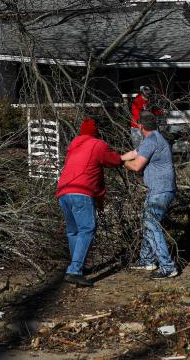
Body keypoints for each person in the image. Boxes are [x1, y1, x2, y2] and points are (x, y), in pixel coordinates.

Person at [55, 118, 124, 287]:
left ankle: (76, 266)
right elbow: (114, 160)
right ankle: (75, 270)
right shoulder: (97, 145)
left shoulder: (73, 147)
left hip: (63, 191)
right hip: (81, 192)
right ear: (95, 132)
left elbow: (94, 174)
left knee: (74, 231)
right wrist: (128, 156)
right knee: (87, 229)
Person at [122, 111, 178, 279]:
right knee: (148, 222)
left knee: (151, 224)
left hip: (160, 190)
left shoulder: (151, 140)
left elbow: (136, 165)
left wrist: (122, 163)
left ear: (140, 126)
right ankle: (147, 260)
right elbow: (134, 153)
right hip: (160, 189)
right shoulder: (154, 138)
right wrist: (114, 158)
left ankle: (168, 267)